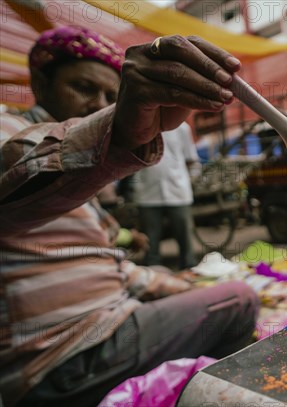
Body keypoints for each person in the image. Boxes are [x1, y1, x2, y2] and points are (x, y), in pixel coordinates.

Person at [0, 27, 258, 407]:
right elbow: (16, 169)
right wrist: (119, 130)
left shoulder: (84, 186)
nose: (98, 104)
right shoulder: (11, 130)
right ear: (39, 82)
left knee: (189, 277)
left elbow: (110, 264)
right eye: (84, 88)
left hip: (105, 330)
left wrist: (181, 285)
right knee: (240, 301)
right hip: (57, 361)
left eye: (109, 96)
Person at [133, 122, 200, 269]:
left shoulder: (182, 128)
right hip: (147, 193)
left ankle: (189, 268)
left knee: (184, 237)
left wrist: (189, 180)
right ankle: (152, 273)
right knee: (150, 242)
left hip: (177, 190)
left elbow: (191, 158)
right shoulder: (137, 125)